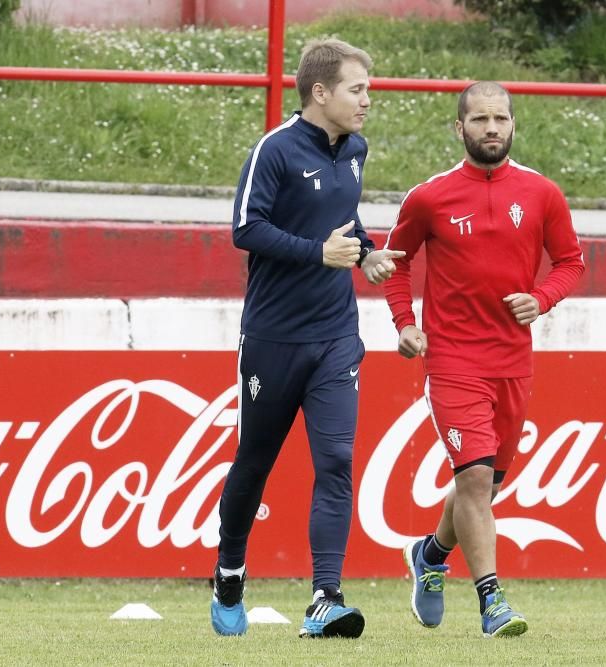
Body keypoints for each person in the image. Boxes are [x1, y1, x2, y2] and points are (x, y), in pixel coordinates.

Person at [210, 38, 404, 639]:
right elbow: (246, 229)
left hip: (335, 336)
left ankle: (325, 597)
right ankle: (230, 571)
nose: (368, 100)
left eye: (368, 89)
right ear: (320, 93)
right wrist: (319, 254)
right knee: (256, 460)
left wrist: (365, 253)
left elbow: (340, 223)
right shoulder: (274, 149)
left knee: (338, 460)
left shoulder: (355, 149)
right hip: (272, 337)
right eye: (357, 89)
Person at [382, 82, 585, 638]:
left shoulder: (542, 193)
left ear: (513, 126)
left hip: (514, 363)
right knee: (472, 478)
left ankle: (430, 554)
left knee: (484, 487)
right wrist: (406, 325)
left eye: (500, 119)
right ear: (460, 128)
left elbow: (571, 262)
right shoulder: (430, 197)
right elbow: (396, 262)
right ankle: (492, 601)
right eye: (480, 119)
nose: (491, 128)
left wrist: (540, 299)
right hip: (451, 361)